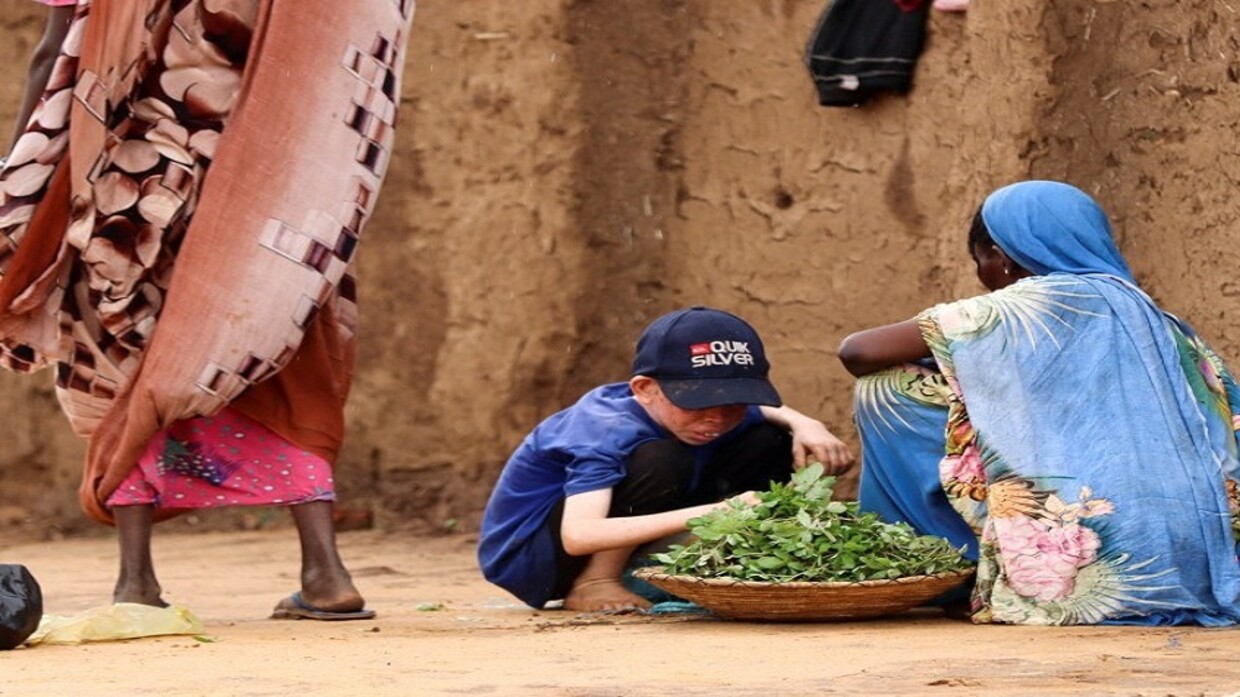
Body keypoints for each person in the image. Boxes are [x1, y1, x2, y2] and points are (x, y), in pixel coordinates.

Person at [0, 0, 415, 620]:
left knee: (124, 357)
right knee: (283, 353)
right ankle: (325, 572)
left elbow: (55, 56)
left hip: (136, 172)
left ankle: (136, 584)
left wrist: (18, 177)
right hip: (268, 171)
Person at [837, 180, 1240, 625]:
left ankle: (956, 567)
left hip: (1077, 554)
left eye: (980, 261)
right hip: (1195, 547)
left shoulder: (1020, 307)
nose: (983, 278)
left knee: (886, 387)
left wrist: (954, 362)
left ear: (1000, 255)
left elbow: (859, 352)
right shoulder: (1159, 322)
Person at [478, 306, 854, 612]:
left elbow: (758, 413)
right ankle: (595, 583)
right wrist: (718, 511)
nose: (717, 418)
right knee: (660, 459)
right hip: (536, 560)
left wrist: (805, 423)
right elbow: (579, 535)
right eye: (699, 402)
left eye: (734, 402)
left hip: (618, 532)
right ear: (644, 389)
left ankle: (702, 565)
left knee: (768, 439)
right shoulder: (606, 429)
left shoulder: (703, 415)